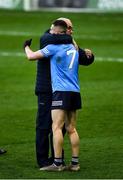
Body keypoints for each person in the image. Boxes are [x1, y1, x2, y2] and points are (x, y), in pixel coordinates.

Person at [24, 20, 94, 171]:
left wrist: (26, 47)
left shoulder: (55, 47)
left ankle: (57, 163)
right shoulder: (64, 43)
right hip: (71, 91)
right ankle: (72, 163)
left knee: (56, 127)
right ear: (59, 29)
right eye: (69, 28)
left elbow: (30, 57)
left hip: (60, 91)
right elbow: (51, 39)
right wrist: (75, 44)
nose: (71, 31)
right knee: (69, 128)